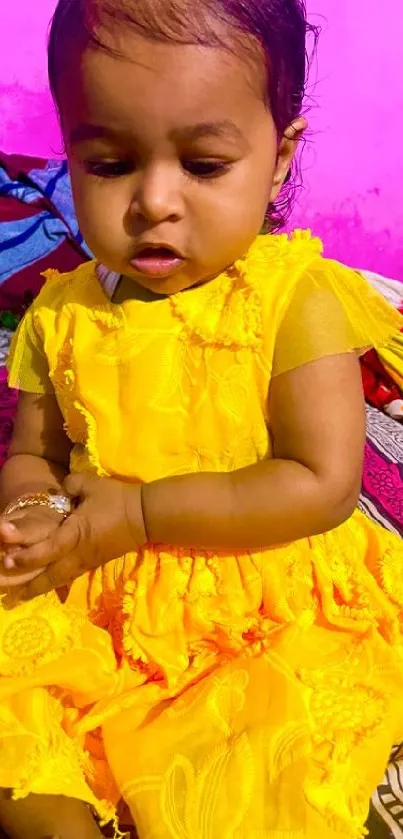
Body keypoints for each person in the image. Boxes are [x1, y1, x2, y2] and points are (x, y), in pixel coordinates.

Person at [0, 0, 402, 836]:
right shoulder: (61, 312)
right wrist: (35, 512)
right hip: (99, 583)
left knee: (247, 759)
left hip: (253, 589)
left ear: (276, 155)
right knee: (23, 712)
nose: (154, 200)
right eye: (109, 164)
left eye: (205, 165)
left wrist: (142, 513)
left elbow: (320, 482)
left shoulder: (294, 301)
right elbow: (34, 449)